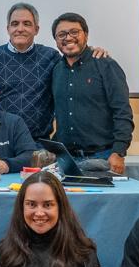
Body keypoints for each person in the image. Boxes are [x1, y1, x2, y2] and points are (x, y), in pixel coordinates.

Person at [50, 12, 133, 175]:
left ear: (86, 35)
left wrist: (118, 152)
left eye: (74, 32)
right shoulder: (56, 70)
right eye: (61, 34)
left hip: (102, 158)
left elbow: (122, 112)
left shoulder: (106, 65)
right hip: (66, 159)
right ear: (56, 40)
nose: (68, 37)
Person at [0, 3, 59, 141]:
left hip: (39, 142)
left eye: (27, 24)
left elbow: (73, 71)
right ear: (8, 29)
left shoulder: (51, 57)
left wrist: (90, 53)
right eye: (15, 24)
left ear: (36, 29)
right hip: (0, 140)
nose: (20, 29)